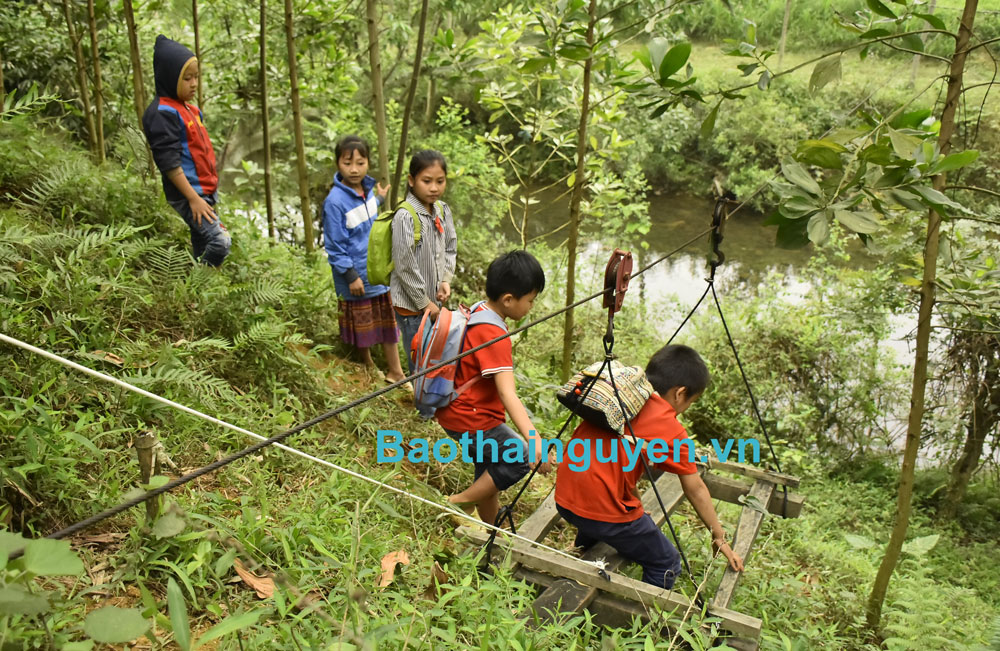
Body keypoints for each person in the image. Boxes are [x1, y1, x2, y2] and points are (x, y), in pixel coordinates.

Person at [554, 344, 744, 590]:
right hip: (600, 512)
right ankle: (643, 621)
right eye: (691, 401)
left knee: (600, 513)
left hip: (565, 499)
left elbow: (619, 464)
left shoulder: (620, 398)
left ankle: (585, 549)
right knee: (667, 562)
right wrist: (719, 536)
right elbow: (695, 487)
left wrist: (636, 505)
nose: (686, 408)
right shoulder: (670, 429)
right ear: (680, 393)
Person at [435, 251, 552, 525]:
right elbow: (507, 392)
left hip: (454, 412)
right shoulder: (494, 335)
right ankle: (456, 504)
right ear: (508, 299)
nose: (531, 307)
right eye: (530, 300)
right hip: (472, 419)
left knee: (488, 475)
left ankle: (490, 533)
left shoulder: (477, 311)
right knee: (519, 458)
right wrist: (534, 439)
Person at [322, 135, 406, 383]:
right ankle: (368, 365)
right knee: (363, 325)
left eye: (360, 162)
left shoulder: (366, 191)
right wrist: (351, 276)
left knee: (387, 323)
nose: (354, 169)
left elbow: (366, 214)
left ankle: (396, 371)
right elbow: (335, 246)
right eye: (348, 163)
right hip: (357, 276)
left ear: (368, 162)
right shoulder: (334, 203)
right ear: (338, 164)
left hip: (377, 271)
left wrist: (378, 198)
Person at [142, 35, 230, 267]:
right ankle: (197, 281)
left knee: (202, 242)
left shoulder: (190, 109)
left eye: (196, 77)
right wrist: (193, 198)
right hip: (189, 193)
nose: (194, 84)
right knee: (220, 241)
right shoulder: (162, 113)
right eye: (187, 78)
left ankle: (198, 294)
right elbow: (168, 162)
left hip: (204, 191)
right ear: (170, 78)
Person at [389, 150, 457, 372]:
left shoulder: (442, 210)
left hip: (434, 304)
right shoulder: (405, 217)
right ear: (412, 181)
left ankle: (431, 403)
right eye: (426, 181)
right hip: (412, 307)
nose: (434, 188)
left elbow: (450, 246)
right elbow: (404, 265)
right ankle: (423, 406)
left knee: (434, 357)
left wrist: (445, 280)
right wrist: (424, 302)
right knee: (420, 362)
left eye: (440, 181)